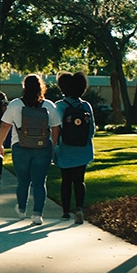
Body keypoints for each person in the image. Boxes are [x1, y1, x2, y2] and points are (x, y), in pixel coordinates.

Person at [0, 74, 60, 225]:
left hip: (20, 147)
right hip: (42, 148)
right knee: (39, 182)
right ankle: (37, 214)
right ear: (41, 88)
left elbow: (5, 125)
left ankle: (21, 209)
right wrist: (52, 146)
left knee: (23, 181)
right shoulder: (49, 106)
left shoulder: (15, 104)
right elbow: (56, 128)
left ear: (24, 87)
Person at [54, 72, 95, 224]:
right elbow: (91, 130)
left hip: (65, 149)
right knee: (79, 181)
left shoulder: (59, 106)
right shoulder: (85, 106)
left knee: (66, 181)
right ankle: (79, 209)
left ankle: (65, 212)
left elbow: (55, 129)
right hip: (82, 150)